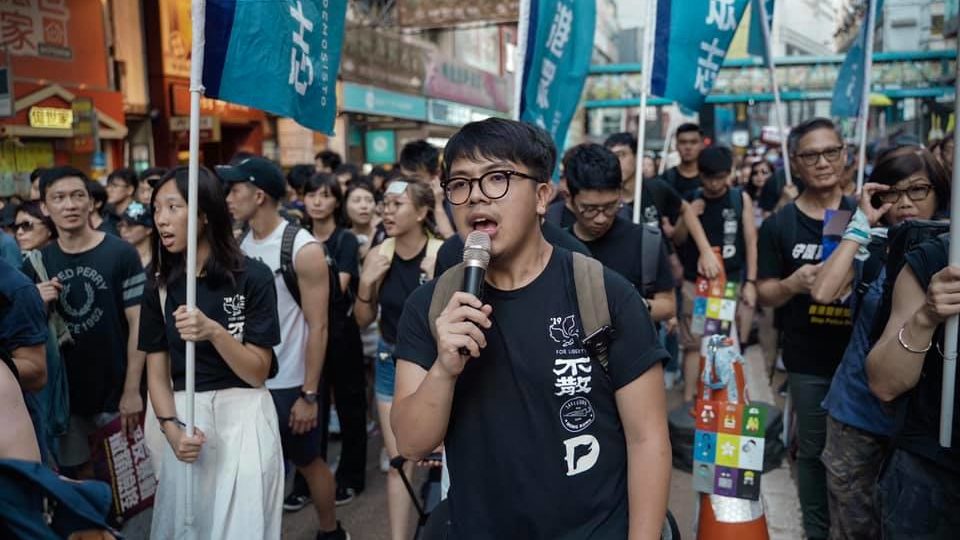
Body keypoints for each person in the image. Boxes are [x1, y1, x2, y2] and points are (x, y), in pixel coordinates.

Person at [392, 118, 671, 538]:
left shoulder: (603, 294)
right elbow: (412, 445)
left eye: (497, 178)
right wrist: (444, 369)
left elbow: (648, 439)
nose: (476, 197)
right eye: (461, 184)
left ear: (543, 195)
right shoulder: (431, 307)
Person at [811, 145, 949, 539]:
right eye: (893, 193)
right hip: (857, 415)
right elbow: (823, 291)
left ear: (939, 191)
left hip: (924, 428)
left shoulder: (948, 250)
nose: (905, 203)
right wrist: (860, 221)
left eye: (918, 190)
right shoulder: (854, 228)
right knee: (854, 525)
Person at [139, 166, 285, 539]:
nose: (162, 220)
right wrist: (170, 430)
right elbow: (156, 372)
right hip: (187, 418)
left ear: (204, 214)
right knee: (189, 529)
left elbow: (257, 371)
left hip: (245, 419)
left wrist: (214, 332)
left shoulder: (252, 276)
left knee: (243, 528)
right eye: (157, 209)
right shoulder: (158, 283)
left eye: (174, 207)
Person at [222, 157, 349, 539]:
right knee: (254, 468)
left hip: (290, 382)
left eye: (234, 189)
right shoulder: (237, 242)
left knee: (308, 462)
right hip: (248, 379)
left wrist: (309, 394)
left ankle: (330, 531)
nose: (227, 198)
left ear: (258, 195)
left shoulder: (302, 247)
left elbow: (318, 325)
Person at [757, 118, 857, 540]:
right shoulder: (779, 225)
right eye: (811, 155)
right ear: (795, 163)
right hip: (808, 360)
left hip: (861, 357)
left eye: (831, 152)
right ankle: (817, 531)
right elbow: (763, 293)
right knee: (814, 453)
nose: (823, 163)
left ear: (845, 155)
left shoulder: (861, 215)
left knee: (860, 458)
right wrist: (792, 284)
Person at [25, 167, 145, 479]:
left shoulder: (121, 253)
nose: (70, 205)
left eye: (78, 196)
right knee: (80, 483)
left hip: (116, 394)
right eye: (59, 198)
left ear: (91, 202)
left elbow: (139, 323)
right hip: (66, 400)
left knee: (127, 485)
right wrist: (33, 301)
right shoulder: (38, 263)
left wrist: (132, 390)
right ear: (44, 206)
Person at [354, 180, 441, 540]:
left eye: (397, 204)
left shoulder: (443, 253)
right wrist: (366, 282)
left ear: (422, 212)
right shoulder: (378, 254)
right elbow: (362, 319)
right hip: (391, 363)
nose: (387, 211)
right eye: (384, 204)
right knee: (398, 464)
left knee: (444, 465)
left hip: (438, 370)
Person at [302, 172, 367, 506]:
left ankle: (352, 476)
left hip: (341, 335)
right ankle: (307, 479)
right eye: (311, 194)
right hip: (307, 334)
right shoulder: (298, 238)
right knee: (310, 405)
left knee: (350, 406)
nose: (316, 201)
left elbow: (337, 287)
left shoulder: (344, 240)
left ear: (336, 201)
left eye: (324, 195)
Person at [677, 146, 758, 402]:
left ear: (729, 174)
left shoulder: (739, 198)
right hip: (695, 285)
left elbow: (751, 240)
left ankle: (721, 398)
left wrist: (751, 281)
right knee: (694, 341)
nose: (714, 183)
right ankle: (691, 398)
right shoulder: (691, 198)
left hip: (730, 283)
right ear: (700, 175)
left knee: (722, 341)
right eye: (709, 177)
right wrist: (689, 215)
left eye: (720, 177)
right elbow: (677, 239)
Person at [563, 143, 676, 322]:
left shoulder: (645, 241)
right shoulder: (555, 246)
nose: (601, 218)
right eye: (590, 209)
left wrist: (631, 306)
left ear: (620, 194)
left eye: (610, 206)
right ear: (569, 199)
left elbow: (668, 305)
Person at [399, 139, 456, 239]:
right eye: (404, 178)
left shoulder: (454, 204)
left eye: (415, 178)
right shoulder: (402, 202)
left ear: (436, 174)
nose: (408, 184)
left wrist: (438, 205)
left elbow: (454, 246)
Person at [662, 123, 705, 201]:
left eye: (693, 142)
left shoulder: (709, 179)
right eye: (683, 142)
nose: (688, 147)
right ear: (676, 145)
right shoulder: (665, 179)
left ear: (702, 145)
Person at [344, 180, 383, 260]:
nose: (364, 206)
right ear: (345, 206)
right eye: (356, 200)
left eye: (369, 200)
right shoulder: (340, 239)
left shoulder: (384, 236)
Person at [117, 201, 154, 270]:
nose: (123, 230)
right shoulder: (118, 258)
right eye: (121, 225)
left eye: (130, 225)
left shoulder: (162, 260)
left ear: (149, 229)